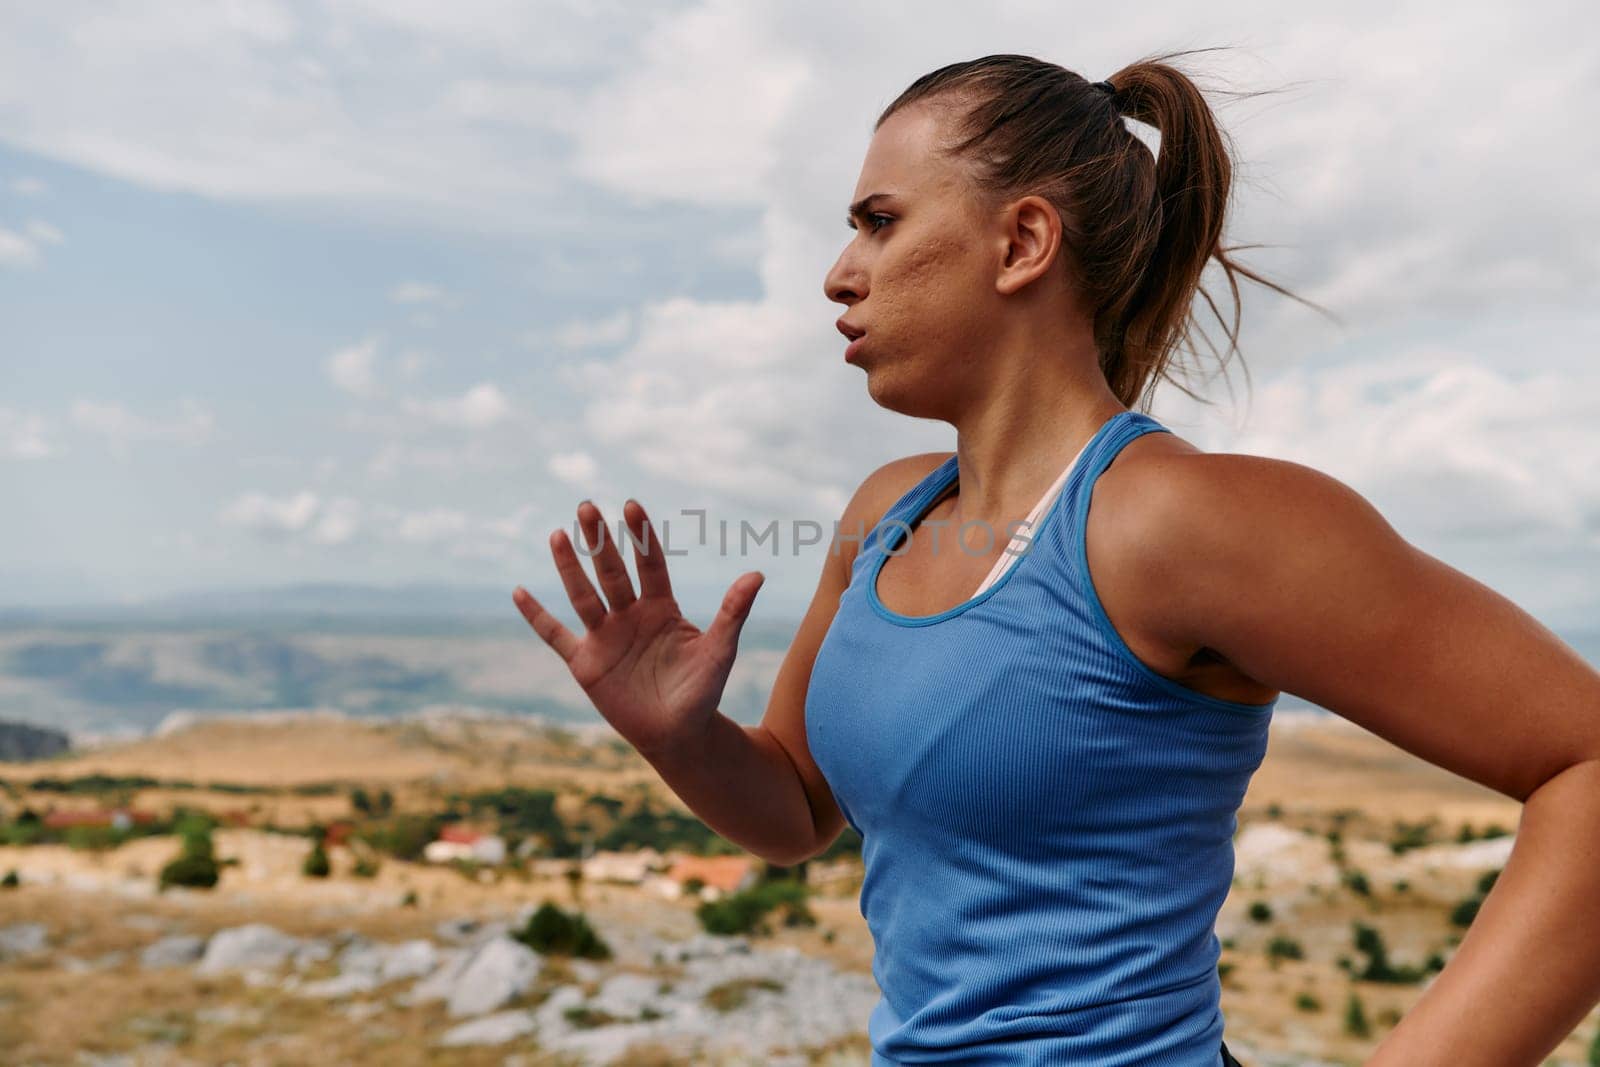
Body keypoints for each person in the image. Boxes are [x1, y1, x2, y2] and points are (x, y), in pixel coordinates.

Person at [514, 50, 1600, 1067]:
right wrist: (683, 738)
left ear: (1023, 242)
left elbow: (1584, 763)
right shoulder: (884, 512)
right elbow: (798, 809)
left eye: (880, 222)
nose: (839, 274)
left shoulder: (1181, 522)